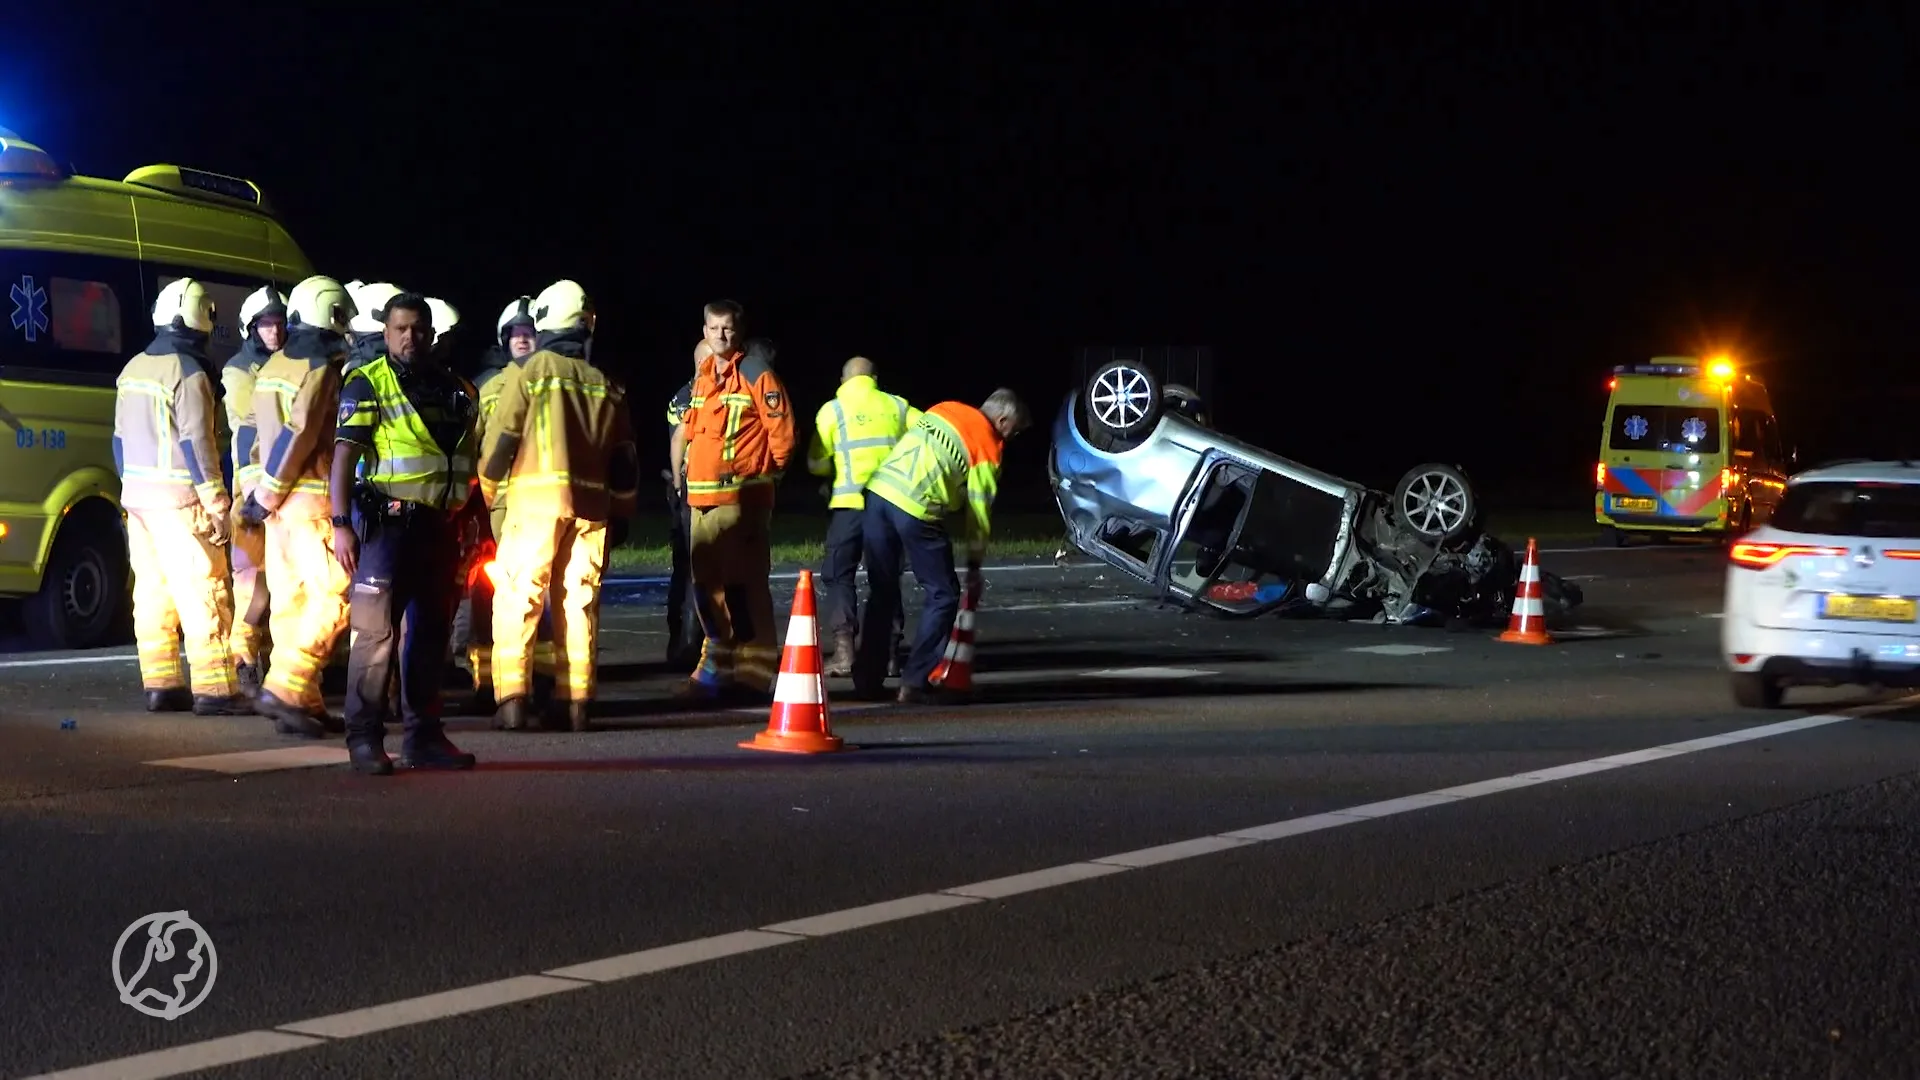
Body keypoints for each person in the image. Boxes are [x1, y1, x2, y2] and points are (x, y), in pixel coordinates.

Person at [331, 292, 481, 774]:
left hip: (439, 528)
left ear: (431, 334)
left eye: (418, 329)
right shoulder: (367, 383)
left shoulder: (455, 389)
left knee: (429, 636)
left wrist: (472, 519)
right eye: (400, 329)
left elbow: (463, 462)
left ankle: (424, 738)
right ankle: (363, 740)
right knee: (375, 637)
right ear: (386, 332)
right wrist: (340, 525)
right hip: (386, 529)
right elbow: (343, 460)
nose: (409, 337)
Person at [479, 279, 638, 732]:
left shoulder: (532, 370)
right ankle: (577, 705)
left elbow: (502, 439)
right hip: (592, 510)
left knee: (518, 599)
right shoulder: (606, 383)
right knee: (579, 603)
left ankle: (511, 702)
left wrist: (493, 495)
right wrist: (621, 512)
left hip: (531, 505)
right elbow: (625, 459)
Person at [112, 277, 251, 715]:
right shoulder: (189, 373)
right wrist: (217, 505)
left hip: (139, 502)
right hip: (181, 503)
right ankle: (215, 690)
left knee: (153, 593)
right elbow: (197, 444)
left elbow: (117, 441)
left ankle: (162, 684)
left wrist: (130, 491)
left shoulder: (133, 368)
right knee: (203, 591)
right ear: (200, 316)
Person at [853, 389, 1030, 703]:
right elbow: (979, 511)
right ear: (1002, 421)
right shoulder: (987, 447)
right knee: (943, 594)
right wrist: (974, 565)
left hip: (878, 495)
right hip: (916, 507)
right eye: (1012, 431)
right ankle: (914, 681)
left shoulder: (944, 407)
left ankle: (867, 679)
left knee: (882, 590)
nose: (1009, 438)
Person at [240, 274, 356, 737]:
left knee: (290, 602)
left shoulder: (271, 368)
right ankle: (287, 688)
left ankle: (303, 704)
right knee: (335, 595)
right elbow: (302, 431)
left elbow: (250, 438)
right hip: (310, 502)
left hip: (277, 514)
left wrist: (258, 496)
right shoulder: (320, 368)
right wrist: (271, 491)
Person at [678, 300, 794, 700]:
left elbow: (783, 435)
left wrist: (762, 478)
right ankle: (717, 667)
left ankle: (753, 674)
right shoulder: (704, 377)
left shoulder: (756, 375)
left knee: (743, 588)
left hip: (741, 500)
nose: (720, 336)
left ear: (738, 333)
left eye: (727, 329)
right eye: (713, 329)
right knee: (705, 588)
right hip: (701, 499)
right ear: (704, 331)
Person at [806, 356, 919, 676]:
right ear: (875, 379)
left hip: (849, 505)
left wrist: (834, 470)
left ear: (843, 381)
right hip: (891, 506)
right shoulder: (898, 407)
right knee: (885, 579)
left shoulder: (832, 410)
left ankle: (845, 652)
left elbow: (816, 463)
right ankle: (890, 655)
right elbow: (926, 438)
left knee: (838, 574)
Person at [223, 285, 288, 697]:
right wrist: (251, 494)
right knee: (253, 587)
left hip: (281, 488)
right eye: (266, 324)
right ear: (251, 328)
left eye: (280, 322)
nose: (275, 330)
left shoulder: (283, 365)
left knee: (276, 585)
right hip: (253, 488)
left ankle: (265, 663)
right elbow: (249, 431)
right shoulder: (240, 372)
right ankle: (244, 660)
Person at [662, 340, 708, 665]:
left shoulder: (683, 395)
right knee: (695, 568)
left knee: (686, 567)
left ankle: (680, 641)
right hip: (693, 490)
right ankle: (690, 643)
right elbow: (679, 438)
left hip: (685, 489)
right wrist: (680, 485)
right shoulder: (692, 397)